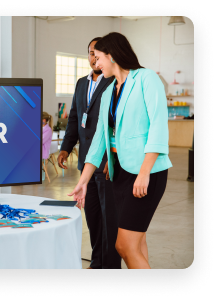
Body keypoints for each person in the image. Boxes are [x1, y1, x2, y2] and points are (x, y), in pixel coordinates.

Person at [68, 32, 172, 269]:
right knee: (137, 241)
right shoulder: (109, 91)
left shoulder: (146, 79)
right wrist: (84, 180)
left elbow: (158, 126)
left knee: (124, 245)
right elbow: (99, 142)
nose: (96, 63)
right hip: (120, 174)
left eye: (98, 57)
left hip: (146, 172)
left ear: (112, 55)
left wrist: (144, 172)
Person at [58, 37, 121, 269]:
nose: (93, 57)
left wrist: (114, 156)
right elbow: (74, 117)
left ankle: (111, 266)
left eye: (98, 53)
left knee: (109, 221)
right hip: (86, 161)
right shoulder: (81, 83)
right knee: (93, 219)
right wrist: (66, 147)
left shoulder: (115, 81)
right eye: (90, 52)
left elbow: (117, 124)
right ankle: (97, 263)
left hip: (106, 163)